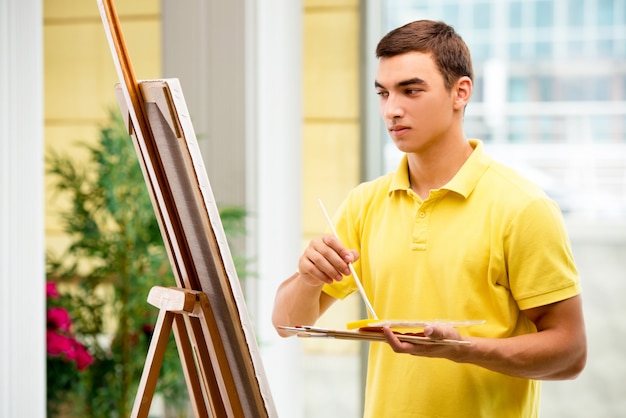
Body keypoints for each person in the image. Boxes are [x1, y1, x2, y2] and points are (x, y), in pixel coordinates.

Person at [272, 20, 587, 418]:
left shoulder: (523, 207)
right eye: (383, 93)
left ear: (461, 92)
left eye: (411, 90)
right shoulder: (365, 203)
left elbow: (570, 353)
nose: (392, 109)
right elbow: (286, 324)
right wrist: (308, 278)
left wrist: (461, 348)